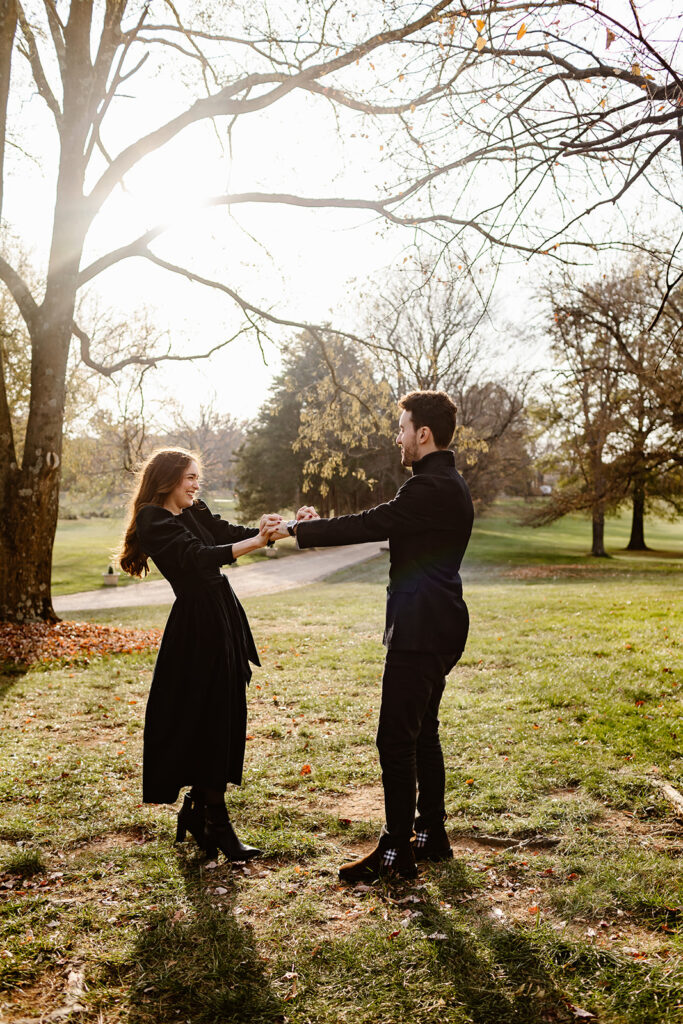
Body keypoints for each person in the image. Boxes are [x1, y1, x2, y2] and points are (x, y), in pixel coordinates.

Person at [269, 391, 474, 882]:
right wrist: (316, 528)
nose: (397, 437)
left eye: (402, 428)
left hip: (422, 628)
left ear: (423, 434)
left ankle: (396, 850)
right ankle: (432, 835)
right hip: (438, 622)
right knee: (423, 731)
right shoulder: (449, 482)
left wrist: (300, 533)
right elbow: (384, 525)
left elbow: (372, 522)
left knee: (394, 739)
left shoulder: (428, 487)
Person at [119, 447, 282, 861]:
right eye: (190, 477)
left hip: (221, 616)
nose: (196, 484)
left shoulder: (195, 510)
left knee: (222, 715)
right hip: (195, 628)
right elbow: (197, 558)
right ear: (168, 478)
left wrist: (282, 528)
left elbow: (229, 532)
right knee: (208, 717)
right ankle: (215, 821)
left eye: (198, 478)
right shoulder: (152, 520)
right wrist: (255, 542)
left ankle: (200, 810)